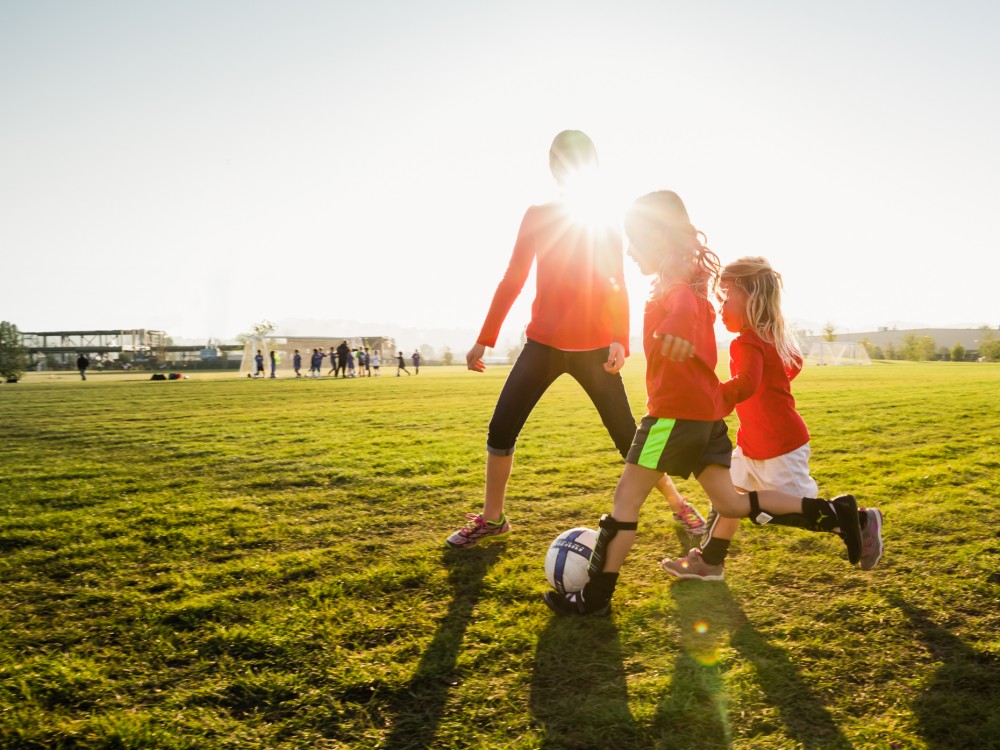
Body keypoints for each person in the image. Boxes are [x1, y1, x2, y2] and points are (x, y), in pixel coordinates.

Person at [544, 190, 882, 617]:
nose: (628, 251)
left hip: (671, 417)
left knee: (625, 501)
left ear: (658, 236)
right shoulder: (690, 283)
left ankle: (594, 598)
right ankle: (840, 514)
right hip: (707, 418)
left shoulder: (678, 288)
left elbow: (682, 305)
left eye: (635, 239)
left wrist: (677, 323)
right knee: (731, 503)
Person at [445, 131, 704, 551]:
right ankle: (493, 519)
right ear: (553, 167)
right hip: (543, 346)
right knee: (501, 428)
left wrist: (619, 339)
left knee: (628, 437)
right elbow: (513, 277)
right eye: (561, 161)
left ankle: (679, 505)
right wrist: (484, 338)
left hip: (595, 350)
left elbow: (616, 280)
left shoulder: (605, 221)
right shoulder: (536, 215)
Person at [662, 257, 885, 579]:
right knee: (727, 500)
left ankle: (860, 521)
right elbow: (792, 365)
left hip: (779, 447)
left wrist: (711, 398)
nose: (721, 307)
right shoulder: (767, 337)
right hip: (754, 443)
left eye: (727, 297)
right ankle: (709, 562)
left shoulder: (747, 342)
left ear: (751, 298)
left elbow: (746, 384)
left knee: (796, 512)